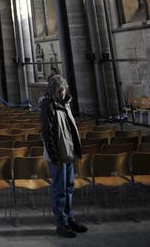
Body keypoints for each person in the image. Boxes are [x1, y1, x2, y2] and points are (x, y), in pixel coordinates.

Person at [40, 74, 88, 238]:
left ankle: (70, 219)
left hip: (69, 152)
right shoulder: (48, 105)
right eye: (59, 90)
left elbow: (70, 128)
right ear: (53, 90)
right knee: (59, 190)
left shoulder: (66, 103)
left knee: (68, 188)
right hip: (58, 156)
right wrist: (54, 157)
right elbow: (48, 134)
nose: (62, 93)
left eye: (63, 90)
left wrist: (76, 149)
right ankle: (61, 224)